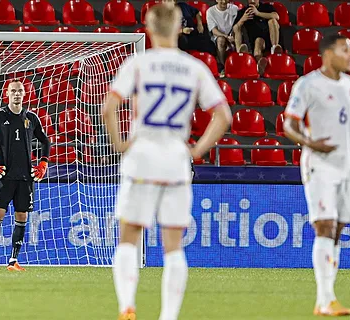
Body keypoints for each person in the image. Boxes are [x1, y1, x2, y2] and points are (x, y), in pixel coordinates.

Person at [102, 4, 231, 320]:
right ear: (178, 26)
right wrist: (197, 150)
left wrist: (121, 144)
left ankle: (127, 308)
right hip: (175, 157)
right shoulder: (194, 67)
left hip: (142, 155)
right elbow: (223, 115)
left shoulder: (138, 63)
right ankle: (169, 316)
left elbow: (108, 108)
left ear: (147, 25)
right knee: (173, 246)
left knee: (129, 238)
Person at [283, 34, 350, 316]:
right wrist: (311, 143)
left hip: (346, 167)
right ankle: (326, 299)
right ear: (328, 54)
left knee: (338, 230)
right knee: (325, 226)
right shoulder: (309, 84)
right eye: (345, 50)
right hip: (319, 164)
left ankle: (325, 299)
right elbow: (289, 124)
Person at [0, 80, 51, 272]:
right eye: (13, 91)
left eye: (20, 91)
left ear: (24, 94)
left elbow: (45, 140)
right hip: (4, 175)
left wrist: (43, 163)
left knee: (22, 216)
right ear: (7, 94)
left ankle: (13, 261)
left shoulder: (31, 118)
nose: (17, 94)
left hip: (26, 176)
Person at [232, 0, 282, 74]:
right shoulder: (243, 12)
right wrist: (242, 19)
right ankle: (257, 65)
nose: (252, 1)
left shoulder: (267, 7)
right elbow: (234, 29)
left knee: (273, 21)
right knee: (257, 41)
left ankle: (274, 48)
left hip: (269, 39)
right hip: (254, 41)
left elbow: (276, 16)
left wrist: (258, 13)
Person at [206, 0, 239, 76]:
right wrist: (226, 37)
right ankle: (223, 67)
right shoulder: (210, 11)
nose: (224, 1)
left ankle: (240, 64)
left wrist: (233, 36)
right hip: (219, 37)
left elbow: (238, 25)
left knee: (239, 36)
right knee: (221, 40)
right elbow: (214, 31)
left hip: (233, 35)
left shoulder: (235, 8)